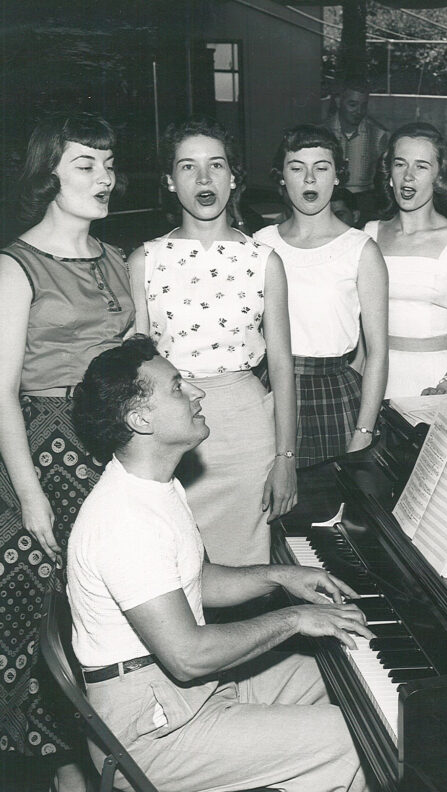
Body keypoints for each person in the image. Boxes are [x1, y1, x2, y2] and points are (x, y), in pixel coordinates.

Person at [67, 335, 369, 792]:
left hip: (190, 692)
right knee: (357, 740)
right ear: (140, 418)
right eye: (177, 387)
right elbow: (189, 656)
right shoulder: (124, 520)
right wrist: (295, 618)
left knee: (351, 677)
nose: (197, 392)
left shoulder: (157, 486)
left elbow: (197, 581)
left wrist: (281, 575)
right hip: (153, 729)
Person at [0, 112, 134, 789]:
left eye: (109, 164)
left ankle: (109, 758)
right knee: (38, 620)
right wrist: (30, 499)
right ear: (48, 171)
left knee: (107, 612)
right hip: (45, 457)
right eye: (86, 163)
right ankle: (60, 769)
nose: (104, 177)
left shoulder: (115, 259)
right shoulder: (15, 266)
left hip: (113, 454)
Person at [128, 116, 296, 566]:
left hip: (247, 432)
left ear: (233, 176)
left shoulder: (264, 260)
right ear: (169, 180)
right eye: (188, 167)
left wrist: (285, 456)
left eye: (216, 165)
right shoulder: (146, 259)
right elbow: (137, 364)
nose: (204, 179)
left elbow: (281, 365)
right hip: (169, 427)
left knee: (245, 571)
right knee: (169, 568)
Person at [254, 124, 388, 463]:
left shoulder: (361, 249)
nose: (310, 179)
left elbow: (378, 354)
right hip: (266, 390)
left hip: (332, 393)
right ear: (282, 177)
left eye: (322, 168)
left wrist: (364, 431)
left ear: (338, 177)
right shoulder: (259, 244)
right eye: (297, 168)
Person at [365, 122, 447, 398]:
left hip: (436, 380)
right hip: (374, 379)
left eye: (421, 166)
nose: (408, 176)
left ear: (438, 176)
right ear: (389, 173)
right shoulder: (367, 235)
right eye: (400, 164)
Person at [323, 76, 389, 223]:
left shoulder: (379, 134)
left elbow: (384, 177)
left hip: (365, 204)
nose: (359, 111)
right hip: (328, 202)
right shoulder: (322, 132)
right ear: (339, 102)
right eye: (352, 104)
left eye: (363, 105)